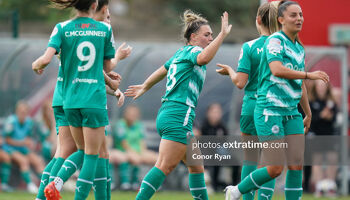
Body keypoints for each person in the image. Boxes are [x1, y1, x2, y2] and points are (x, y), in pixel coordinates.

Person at [225, 1, 329, 200]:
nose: (299, 18)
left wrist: (307, 112)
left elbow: (298, 81)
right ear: (281, 20)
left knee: (297, 164)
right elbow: (277, 69)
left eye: (300, 14)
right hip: (270, 110)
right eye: (293, 15)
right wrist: (310, 74)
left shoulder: (298, 47)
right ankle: (236, 191)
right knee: (274, 168)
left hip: (291, 112)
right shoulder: (274, 41)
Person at [125, 9, 231, 200]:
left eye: (212, 35)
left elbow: (162, 70)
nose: (210, 38)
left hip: (171, 112)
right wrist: (223, 35)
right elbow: (205, 58)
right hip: (178, 114)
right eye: (206, 35)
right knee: (165, 165)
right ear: (193, 37)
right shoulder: (194, 51)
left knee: (196, 165)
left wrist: (145, 86)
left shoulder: (181, 52)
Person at [32, 0, 121, 199]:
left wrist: (35, 64)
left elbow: (46, 59)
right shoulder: (104, 29)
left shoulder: (62, 28)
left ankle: (50, 188)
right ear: (96, 5)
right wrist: (115, 74)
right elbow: (106, 68)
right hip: (93, 100)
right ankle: (59, 183)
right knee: (91, 154)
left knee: (74, 151)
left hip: (69, 100)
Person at [216, 2, 279, 199]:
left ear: (258, 20)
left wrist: (230, 71)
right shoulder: (283, 46)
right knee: (271, 161)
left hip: (251, 106)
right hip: (273, 107)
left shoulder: (249, 46)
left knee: (250, 159)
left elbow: (240, 83)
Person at [111, 104, 158, 191]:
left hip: (138, 151)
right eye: (130, 113)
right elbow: (124, 143)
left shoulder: (139, 125)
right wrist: (134, 153)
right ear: (126, 114)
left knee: (157, 159)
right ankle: (130, 184)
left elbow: (141, 141)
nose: (132, 116)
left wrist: (143, 152)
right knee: (134, 159)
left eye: (134, 114)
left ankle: (153, 184)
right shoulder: (121, 124)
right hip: (124, 151)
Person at [2, 101, 45, 193]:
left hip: (23, 149)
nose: (23, 114)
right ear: (17, 111)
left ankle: (45, 185)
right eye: (21, 112)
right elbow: (7, 140)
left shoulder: (29, 122)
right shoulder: (11, 122)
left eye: (25, 112)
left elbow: (29, 138)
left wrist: (30, 143)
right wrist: (23, 142)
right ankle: (30, 185)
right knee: (23, 160)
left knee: (38, 160)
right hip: (9, 149)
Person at [308, 80, 338, 198]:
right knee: (317, 161)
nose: (321, 88)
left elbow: (334, 118)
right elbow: (311, 120)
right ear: (315, 87)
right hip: (316, 135)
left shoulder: (331, 102)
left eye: (323, 86)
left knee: (332, 159)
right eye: (319, 86)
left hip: (329, 135)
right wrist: (321, 116)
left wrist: (330, 116)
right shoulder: (311, 101)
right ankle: (319, 187)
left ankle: (330, 186)